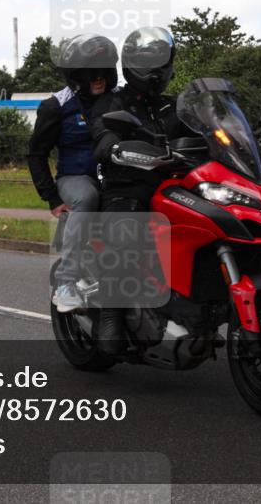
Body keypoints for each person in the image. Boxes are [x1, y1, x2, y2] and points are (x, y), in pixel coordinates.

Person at [89, 26, 192, 353]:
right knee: (125, 231)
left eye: (162, 60)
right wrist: (112, 147)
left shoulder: (174, 107)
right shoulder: (112, 102)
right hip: (128, 188)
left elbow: (203, 132)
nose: (157, 68)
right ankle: (110, 314)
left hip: (174, 186)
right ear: (133, 64)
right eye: (150, 60)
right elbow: (102, 133)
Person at [27, 34, 119, 312]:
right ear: (77, 76)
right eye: (91, 74)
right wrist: (52, 199)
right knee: (87, 197)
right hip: (75, 179)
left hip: (113, 178)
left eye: (103, 72)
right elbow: (36, 154)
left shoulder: (119, 100)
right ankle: (66, 283)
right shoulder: (56, 106)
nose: (99, 78)